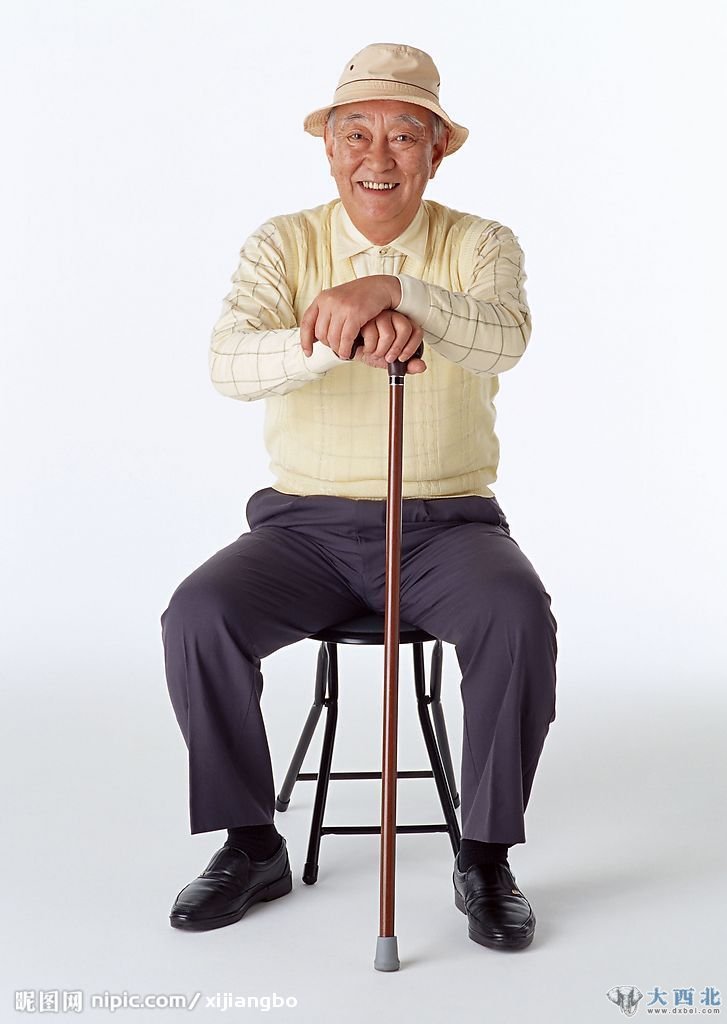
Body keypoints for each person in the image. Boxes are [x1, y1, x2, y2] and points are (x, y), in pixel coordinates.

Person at [160, 42, 558, 952]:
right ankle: (251, 842)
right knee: (198, 616)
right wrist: (333, 331)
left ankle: (484, 856)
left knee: (516, 616)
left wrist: (397, 290)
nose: (378, 157)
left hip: (445, 528)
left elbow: (503, 339)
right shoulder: (283, 242)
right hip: (301, 531)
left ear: (436, 150)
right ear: (329, 146)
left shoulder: (480, 243)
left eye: (404, 135)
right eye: (355, 134)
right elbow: (226, 364)